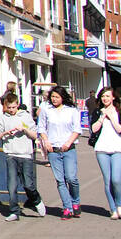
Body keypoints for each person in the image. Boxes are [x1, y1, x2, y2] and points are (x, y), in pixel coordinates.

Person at [0, 92, 44, 221]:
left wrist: (24, 130)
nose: (11, 110)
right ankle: (14, 211)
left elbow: (34, 135)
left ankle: (37, 200)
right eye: (9, 108)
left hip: (25, 154)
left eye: (13, 107)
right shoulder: (2, 118)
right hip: (11, 154)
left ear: (17, 106)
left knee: (28, 184)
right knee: (12, 185)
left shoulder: (25, 116)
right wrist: (6, 132)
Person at [38, 85, 82, 219]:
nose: (54, 99)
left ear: (63, 97)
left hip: (68, 148)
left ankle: (75, 201)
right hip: (53, 150)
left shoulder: (71, 110)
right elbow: (42, 128)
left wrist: (68, 142)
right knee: (60, 180)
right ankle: (67, 207)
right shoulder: (47, 110)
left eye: (57, 97)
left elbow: (77, 129)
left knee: (71, 178)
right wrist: (46, 142)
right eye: (52, 97)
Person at [89, 86, 121, 219]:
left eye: (107, 96)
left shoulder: (119, 111)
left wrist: (111, 116)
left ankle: (119, 204)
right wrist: (101, 117)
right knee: (107, 180)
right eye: (103, 96)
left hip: (118, 147)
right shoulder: (97, 112)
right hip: (102, 148)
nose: (105, 98)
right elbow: (93, 129)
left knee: (116, 179)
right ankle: (113, 209)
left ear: (113, 97)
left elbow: (120, 130)